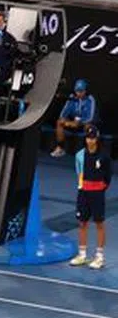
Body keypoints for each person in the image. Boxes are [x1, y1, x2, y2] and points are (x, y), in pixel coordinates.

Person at [70, 124, 113, 269]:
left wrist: (100, 189)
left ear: (97, 138)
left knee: (99, 223)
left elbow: (108, 177)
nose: (90, 140)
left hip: (97, 193)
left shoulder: (104, 156)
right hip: (84, 192)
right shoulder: (80, 155)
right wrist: (83, 188)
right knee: (82, 222)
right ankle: (82, 255)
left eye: (93, 138)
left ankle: (99, 257)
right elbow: (79, 173)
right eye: (88, 138)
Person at [52, 79, 98, 158]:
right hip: (73, 123)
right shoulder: (72, 97)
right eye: (77, 91)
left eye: (81, 91)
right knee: (59, 122)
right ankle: (60, 148)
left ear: (85, 91)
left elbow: (90, 118)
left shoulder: (90, 99)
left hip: (84, 124)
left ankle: (90, 153)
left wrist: (79, 123)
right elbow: (63, 113)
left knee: (90, 127)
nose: (78, 93)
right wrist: (68, 122)